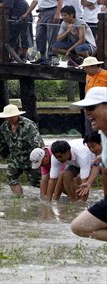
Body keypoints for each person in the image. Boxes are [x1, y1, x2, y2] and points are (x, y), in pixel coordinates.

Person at [70, 87, 107, 241]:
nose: (88, 113)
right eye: (85, 109)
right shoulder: (102, 134)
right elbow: (103, 170)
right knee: (79, 227)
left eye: (91, 107)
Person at [0, 104, 44, 196]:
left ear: (17, 115)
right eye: (7, 117)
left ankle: (49, 197)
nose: (9, 119)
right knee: (11, 177)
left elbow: (37, 145)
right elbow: (0, 141)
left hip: (30, 159)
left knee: (36, 181)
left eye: (12, 117)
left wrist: (38, 161)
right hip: (15, 159)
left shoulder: (28, 126)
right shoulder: (5, 127)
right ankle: (18, 199)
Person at [23, 0, 63, 65]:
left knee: (52, 35)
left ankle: (52, 56)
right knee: (39, 34)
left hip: (52, 10)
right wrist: (26, 13)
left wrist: (58, 13)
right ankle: (42, 56)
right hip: (41, 12)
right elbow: (35, 1)